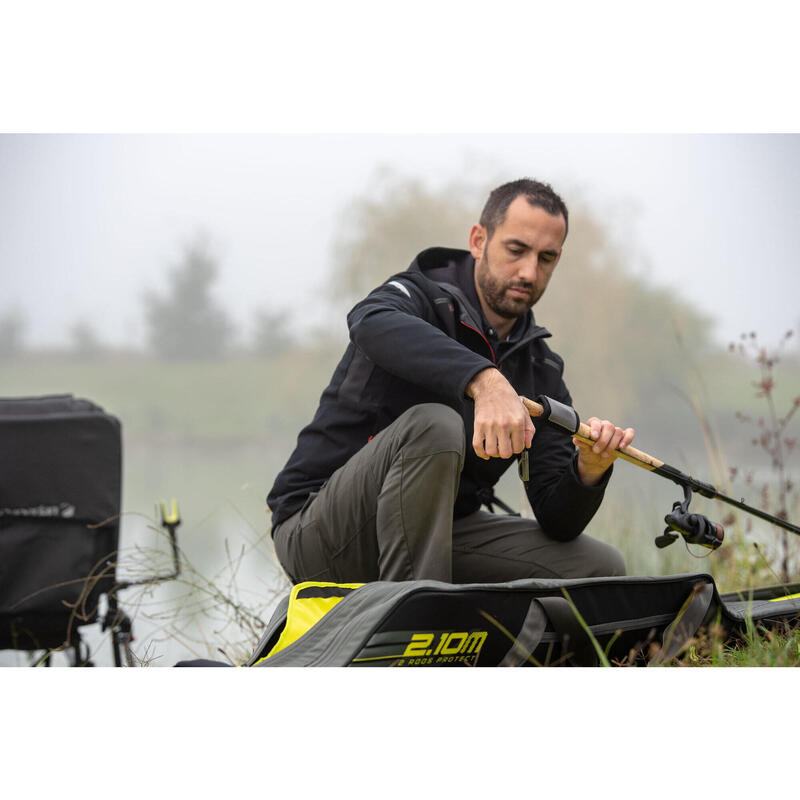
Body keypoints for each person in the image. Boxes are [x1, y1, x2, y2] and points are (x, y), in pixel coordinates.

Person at [267, 178, 635, 585]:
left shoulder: (540, 369)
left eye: (546, 258)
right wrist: (484, 380)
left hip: (439, 535)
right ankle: (413, 631)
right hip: (320, 534)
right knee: (435, 425)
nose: (529, 271)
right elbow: (368, 320)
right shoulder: (418, 296)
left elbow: (558, 521)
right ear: (479, 240)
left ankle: (494, 639)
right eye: (516, 250)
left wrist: (588, 470)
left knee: (598, 568)